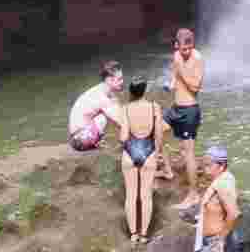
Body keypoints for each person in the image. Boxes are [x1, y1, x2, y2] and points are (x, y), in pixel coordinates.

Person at [119, 77, 165, 244]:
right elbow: (159, 135)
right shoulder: (155, 107)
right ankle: (144, 235)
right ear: (145, 90)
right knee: (146, 196)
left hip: (130, 152)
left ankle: (133, 234)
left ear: (131, 92)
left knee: (131, 196)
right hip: (149, 151)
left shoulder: (125, 108)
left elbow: (123, 136)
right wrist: (158, 153)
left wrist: (127, 141)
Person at [165, 27, 205, 207]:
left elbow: (196, 87)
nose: (187, 52)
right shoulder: (176, 56)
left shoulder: (197, 59)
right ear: (177, 46)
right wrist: (172, 83)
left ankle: (194, 194)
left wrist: (182, 73)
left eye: (190, 48)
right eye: (183, 49)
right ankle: (166, 170)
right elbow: (175, 76)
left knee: (188, 153)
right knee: (156, 130)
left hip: (189, 110)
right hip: (176, 108)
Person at [68, 60, 124, 151]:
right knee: (103, 116)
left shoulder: (103, 91)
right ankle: (95, 143)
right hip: (81, 139)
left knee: (113, 108)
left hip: (78, 136)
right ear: (109, 80)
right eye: (120, 79)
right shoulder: (102, 98)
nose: (122, 82)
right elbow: (121, 121)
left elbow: (119, 112)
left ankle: (98, 141)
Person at [195, 144, 239, 252]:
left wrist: (221, 240)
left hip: (215, 243)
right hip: (211, 241)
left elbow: (234, 213)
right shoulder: (224, 178)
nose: (205, 167)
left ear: (221, 165)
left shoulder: (222, 184)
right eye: (204, 164)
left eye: (209, 165)